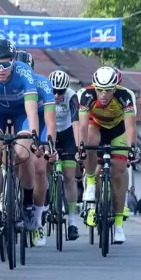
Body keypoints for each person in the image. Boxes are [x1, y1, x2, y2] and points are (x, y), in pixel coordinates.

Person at [0, 39, 40, 247]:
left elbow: (32, 110)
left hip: (20, 111)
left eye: (6, 64)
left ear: (14, 61)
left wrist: (34, 137)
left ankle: (29, 204)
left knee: (24, 154)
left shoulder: (24, 73)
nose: (1, 69)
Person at [79, 66, 139, 244]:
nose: (103, 94)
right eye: (100, 90)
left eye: (108, 90)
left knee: (119, 172)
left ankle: (119, 226)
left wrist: (132, 148)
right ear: (94, 87)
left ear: (115, 88)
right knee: (89, 140)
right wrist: (81, 147)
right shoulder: (87, 95)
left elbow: (130, 127)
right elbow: (82, 126)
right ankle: (90, 182)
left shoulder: (125, 96)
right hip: (95, 125)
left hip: (118, 130)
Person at [15, 51, 57, 247]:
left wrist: (49, 143)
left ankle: (38, 220)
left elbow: (50, 120)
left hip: (38, 122)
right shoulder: (9, 82)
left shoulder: (41, 84)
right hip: (15, 119)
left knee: (40, 168)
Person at [47, 70, 80, 241]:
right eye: (54, 91)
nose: (57, 95)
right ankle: (44, 204)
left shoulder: (72, 96)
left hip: (67, 135)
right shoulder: (44, 93)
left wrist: (79, 146)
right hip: (49, 133)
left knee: (69, 177)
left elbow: (76, 123)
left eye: (61, 91)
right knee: (42, 169)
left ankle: (72, 221)